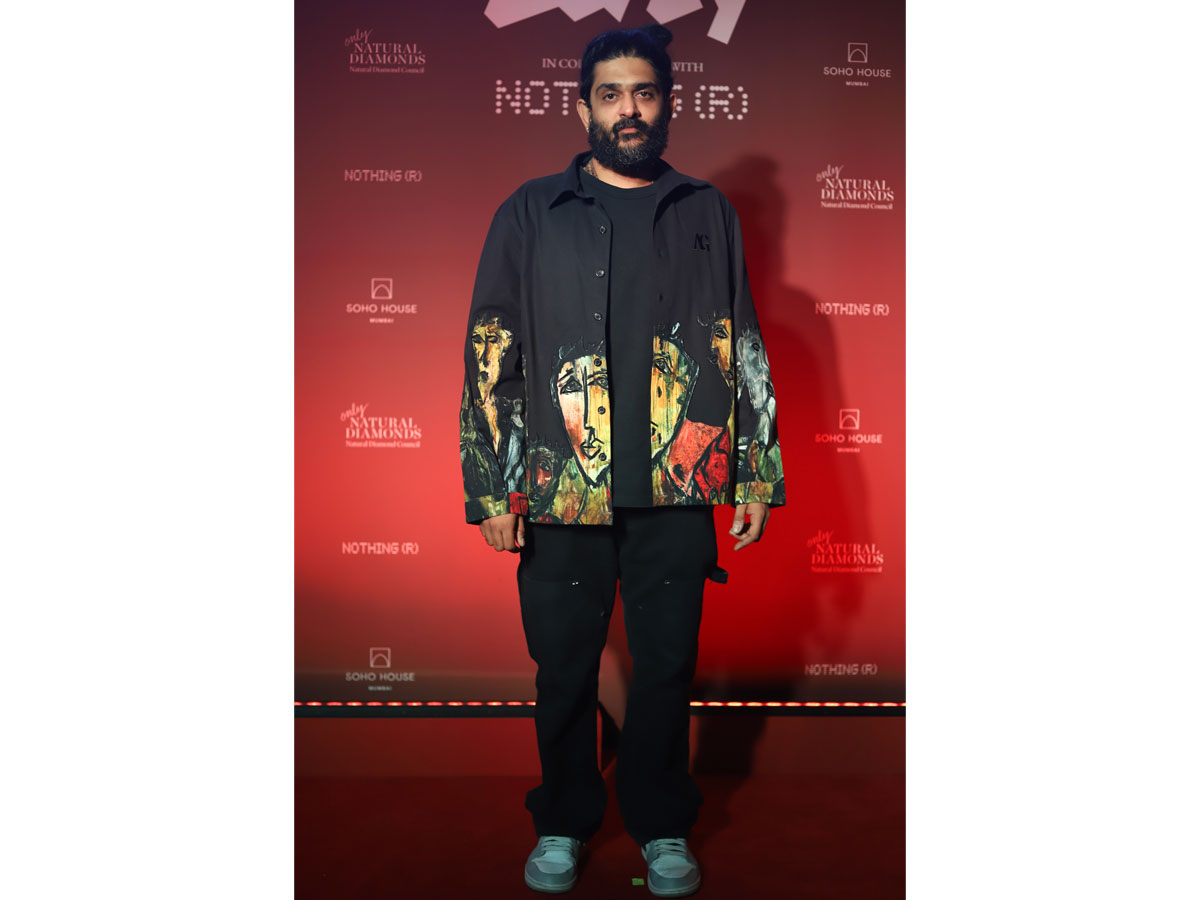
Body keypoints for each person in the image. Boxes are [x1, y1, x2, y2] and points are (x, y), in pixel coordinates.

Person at [459, 24, 785, 897]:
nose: (628, 109)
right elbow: (491, 350)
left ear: (667, 103)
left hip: (679, 487)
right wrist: (492, 487)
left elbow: (741, 343)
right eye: (611, 95)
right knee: (564, 669)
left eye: (644, 92)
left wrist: (755, 473)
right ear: (584, 109)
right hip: (561, 490)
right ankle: (563, 821)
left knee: (667, 668)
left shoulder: (706, 209)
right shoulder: (530, 212)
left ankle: (662, 824)